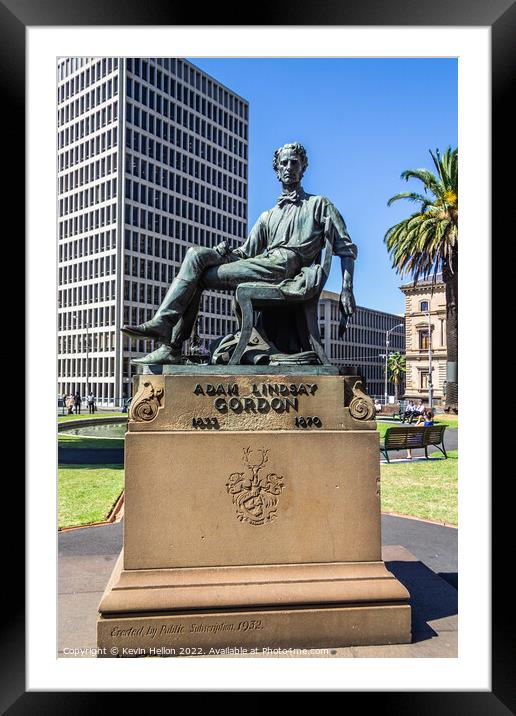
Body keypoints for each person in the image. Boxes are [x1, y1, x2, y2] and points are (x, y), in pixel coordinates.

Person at [121, 142, 357, 365]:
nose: (288, 168)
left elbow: (345, 247)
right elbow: (245, 253)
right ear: (276, 170)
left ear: (303, 168)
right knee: (196, 258)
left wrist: (347, 288)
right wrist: (222, 253)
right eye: (283, 164)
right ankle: (169, 341)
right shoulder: (268, 216)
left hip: (287, 268)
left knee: (199, 272)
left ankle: (168, 339)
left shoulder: (318, 204)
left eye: (294, 163)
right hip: (264, 264)